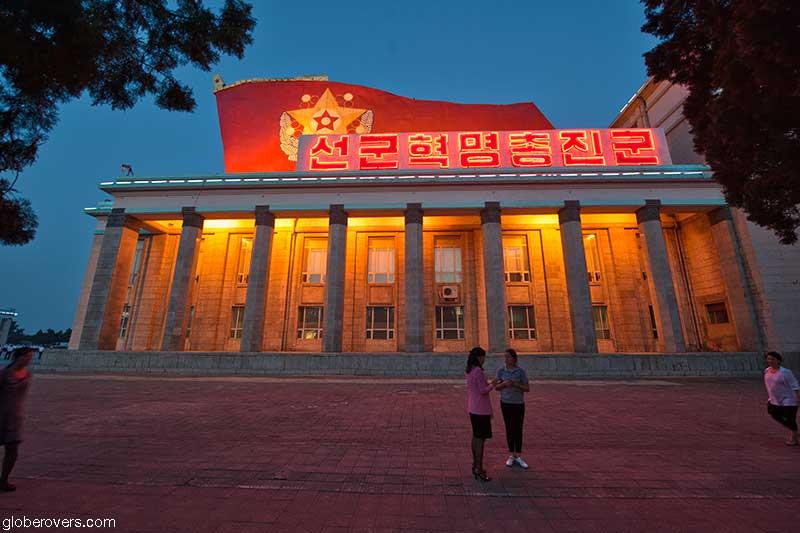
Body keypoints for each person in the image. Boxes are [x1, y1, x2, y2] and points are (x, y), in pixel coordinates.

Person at [0, 346, 35, 491]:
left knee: (12, 448)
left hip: (15, 416)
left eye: (31, 357)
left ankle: (3, 480)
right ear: (18, 357)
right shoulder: (4, 374)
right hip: (2, 414)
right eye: (27, 356)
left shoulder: (27, 374)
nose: (29, 359)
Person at [495, 348, 530, 469]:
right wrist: (504, 384)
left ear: (514, 359)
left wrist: (515, 384)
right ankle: (511, 454)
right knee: (509, 428)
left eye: (508, 357)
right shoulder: (501, 371)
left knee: (518, 429)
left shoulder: (520, 372)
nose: (506, 359)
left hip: (518, 403)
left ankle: (518, 455)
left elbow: (527, 388)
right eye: (505, 357)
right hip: (505, 403)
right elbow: (496, 387)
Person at [466, 346, 496, 482]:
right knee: (480, 440)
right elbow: (483, 390)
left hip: (473, 408)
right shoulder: (478, 371)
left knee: (476, 437)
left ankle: (475, 465)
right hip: (481, 409)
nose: (484, 360)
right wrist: (493, 384)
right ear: (479, 357)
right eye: (483, 357)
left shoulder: (470, 370)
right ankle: (479, 468)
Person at [763, 351, 800, 446]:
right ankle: (796, 431)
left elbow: (795, 386)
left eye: (772, 359)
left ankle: (794, 438)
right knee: (773, 413)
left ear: (778, 360)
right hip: (774, 399)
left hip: (789, 399)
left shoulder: (786, 372)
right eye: (768, 359)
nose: (770, 361)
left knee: (790, 418)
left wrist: (798, 398)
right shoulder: (767, 370)